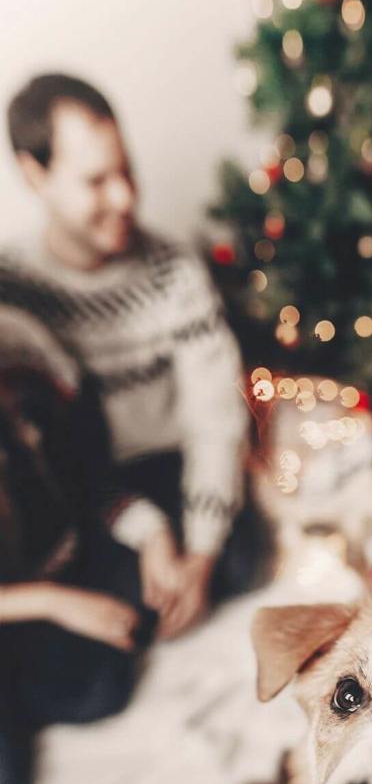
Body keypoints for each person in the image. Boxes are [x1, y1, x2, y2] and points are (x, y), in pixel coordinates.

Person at [0, 74, 257, 640]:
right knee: (115, 619)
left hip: (169, 456)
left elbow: (215, 420)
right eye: (95, 180)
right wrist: (142, 529)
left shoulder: (174, 272)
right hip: (79, 483)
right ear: (34, 174)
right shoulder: (12, 291)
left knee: (238, 560)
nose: (123, 197)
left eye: (126, 171)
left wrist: (202, 555)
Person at [0, 308, 156, 784]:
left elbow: (93, 486)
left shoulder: (31, 368)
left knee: (104, 685)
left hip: (50, 565)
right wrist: (54, 603)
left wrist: (154, 535)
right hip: (27, 599)